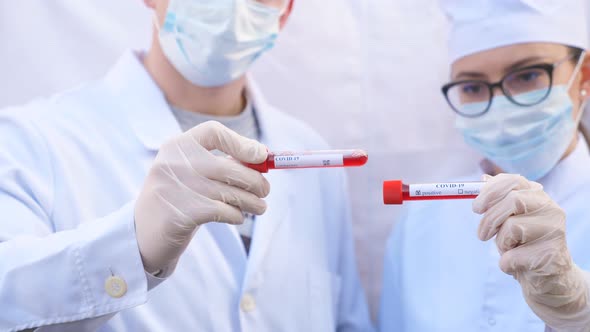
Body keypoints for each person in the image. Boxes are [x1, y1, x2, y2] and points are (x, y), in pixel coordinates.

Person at [0, 0, 373, 330]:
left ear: (286, 10)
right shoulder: (30, 142)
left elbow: (346, 321)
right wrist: (133, 248)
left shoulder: (311, 153)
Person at [378, 0, 590, 331]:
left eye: (528, 75)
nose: (501, 105)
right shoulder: (420, 223)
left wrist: (577, 310)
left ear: (583, 76)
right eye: (473, 87)